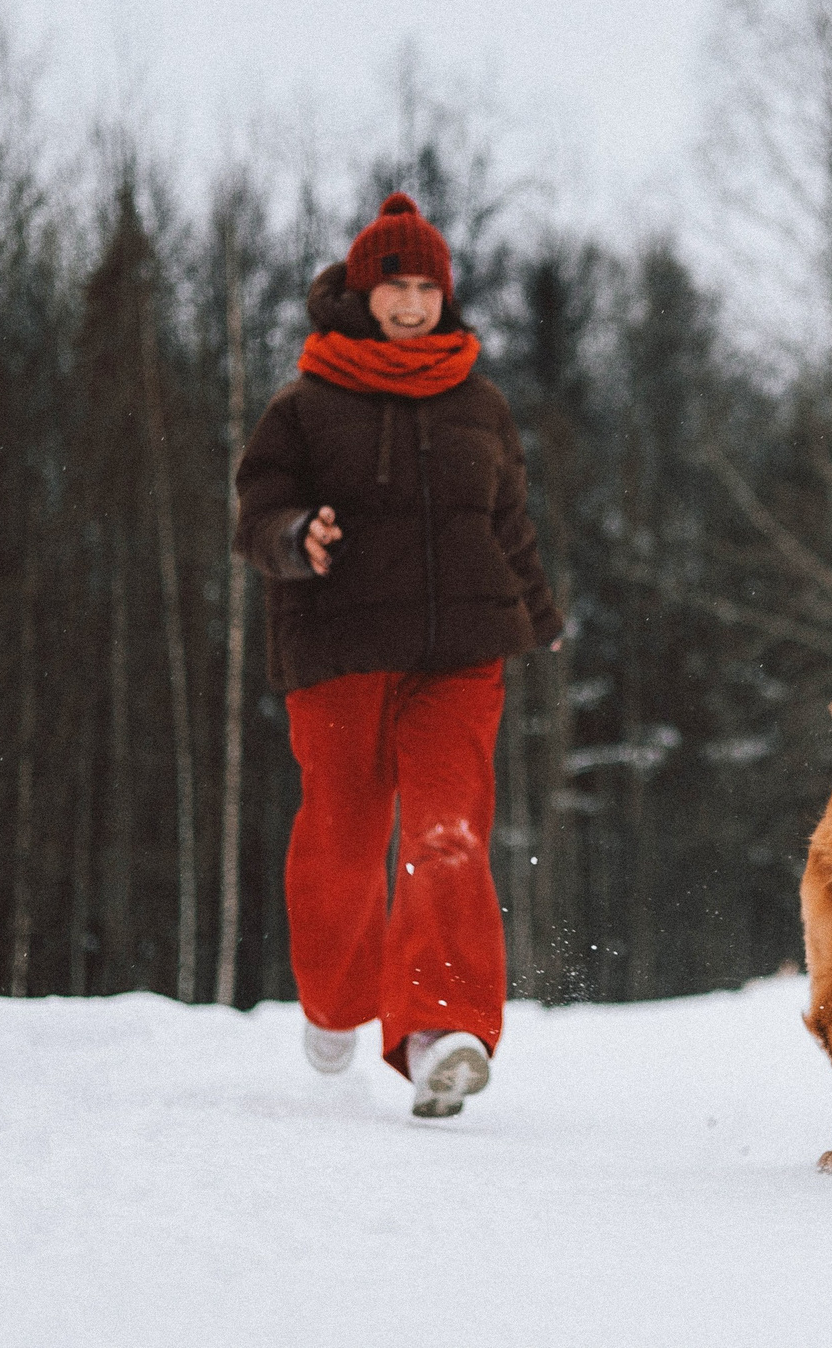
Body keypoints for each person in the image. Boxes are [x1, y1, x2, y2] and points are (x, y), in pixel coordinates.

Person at [234, 192, 562, 1118]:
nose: (413, 304)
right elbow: (256, 513)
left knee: (447, 830)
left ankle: (438, 1032)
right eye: (395, 287)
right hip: (339, 649)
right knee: (342, 841)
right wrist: (298, 536)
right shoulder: (304, 405)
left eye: (427, 287)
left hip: (459, 652)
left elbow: (508, 523)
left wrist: (537, 613)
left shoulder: (479, 401)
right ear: (360, 292)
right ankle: (338, 1000)